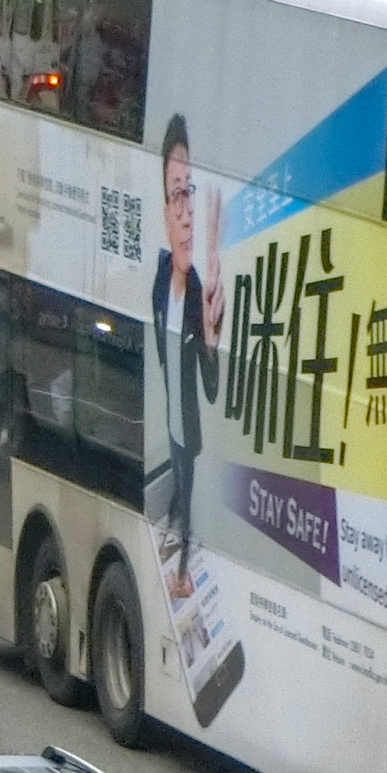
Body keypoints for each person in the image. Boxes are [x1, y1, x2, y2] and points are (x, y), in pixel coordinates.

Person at [152, 114, 225, 572]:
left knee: (187, 503)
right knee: (177, 494)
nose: (186, 212)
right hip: (171, 424)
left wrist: (212, 343)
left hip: (189, 430)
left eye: (189, 192)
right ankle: (172, 547)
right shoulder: (161, 278)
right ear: (165, 210)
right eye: (175, 194)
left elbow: (212, 390)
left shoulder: (201, 292)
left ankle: (181, 572)